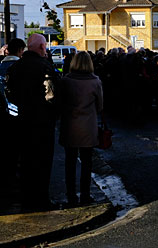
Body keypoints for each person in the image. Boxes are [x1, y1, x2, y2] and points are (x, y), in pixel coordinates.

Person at [5, 34, 60, 210]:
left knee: (26, 163)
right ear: (43, 47)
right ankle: (41, 200)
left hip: (22, 120)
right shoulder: (45, 67)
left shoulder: (15, 67)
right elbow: (52, 95)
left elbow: (9, 93)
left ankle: (27, 198)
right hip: (42, 123)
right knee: (42, 164)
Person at [58, 51, 103, 205]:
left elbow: (60, 103)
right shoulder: (95, 81)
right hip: (87, 126)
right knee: (87, 163)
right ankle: (85, 194)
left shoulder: (66, 81)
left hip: (69, 125)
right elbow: (100, 106)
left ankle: (71, 195)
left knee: (69, 163)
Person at [0, 38, 26, 191]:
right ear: (21, 50)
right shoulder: (21, 67)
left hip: (1, 114)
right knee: (17, 152)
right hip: (18, 115)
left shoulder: (1, 66)